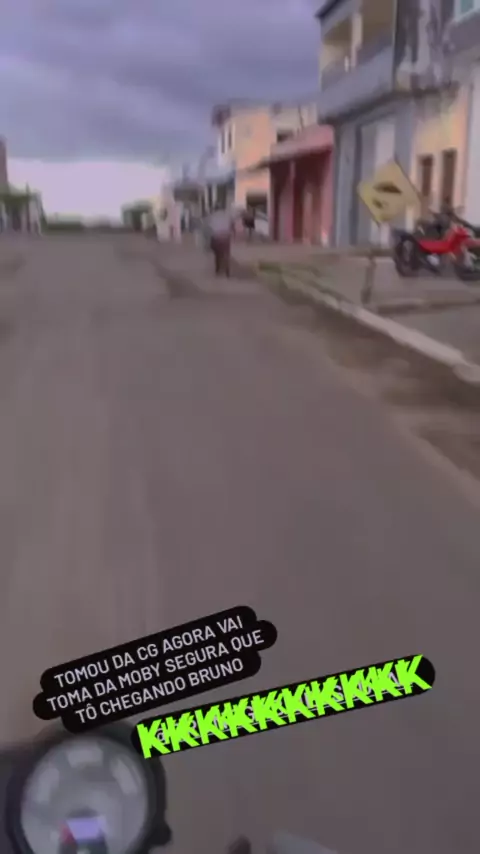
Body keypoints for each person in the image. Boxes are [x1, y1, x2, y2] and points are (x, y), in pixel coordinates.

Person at [207, 203, 235, 276]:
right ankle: (227, 269)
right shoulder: (227, 215)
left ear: (215, 209)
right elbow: (232, 224)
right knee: (227, 253)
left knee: (217, 254)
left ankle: (217, 268)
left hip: (216, 237)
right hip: (226, 237)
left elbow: (209, 228)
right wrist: (232, 232)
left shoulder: (212, 216)